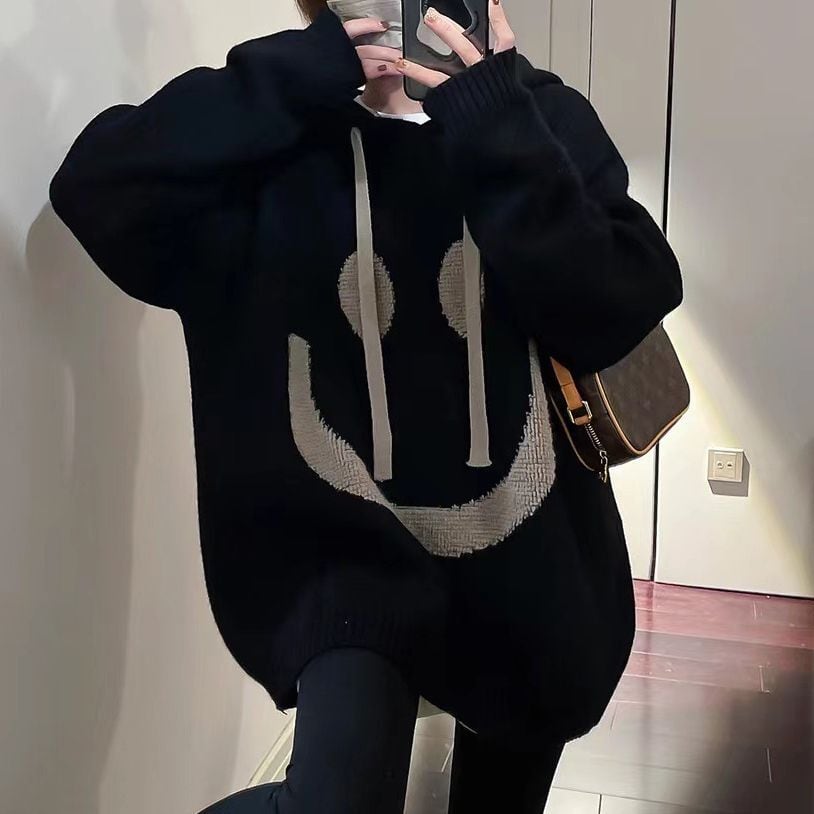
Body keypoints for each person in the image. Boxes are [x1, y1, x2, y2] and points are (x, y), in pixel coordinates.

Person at [49, 1, 683, 812]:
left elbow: (620, 304)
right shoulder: (276, 130)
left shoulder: (538, 115)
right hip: (345, 558)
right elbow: (99, 190)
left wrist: (497, 123)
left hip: (531, 550)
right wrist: (293, 73)